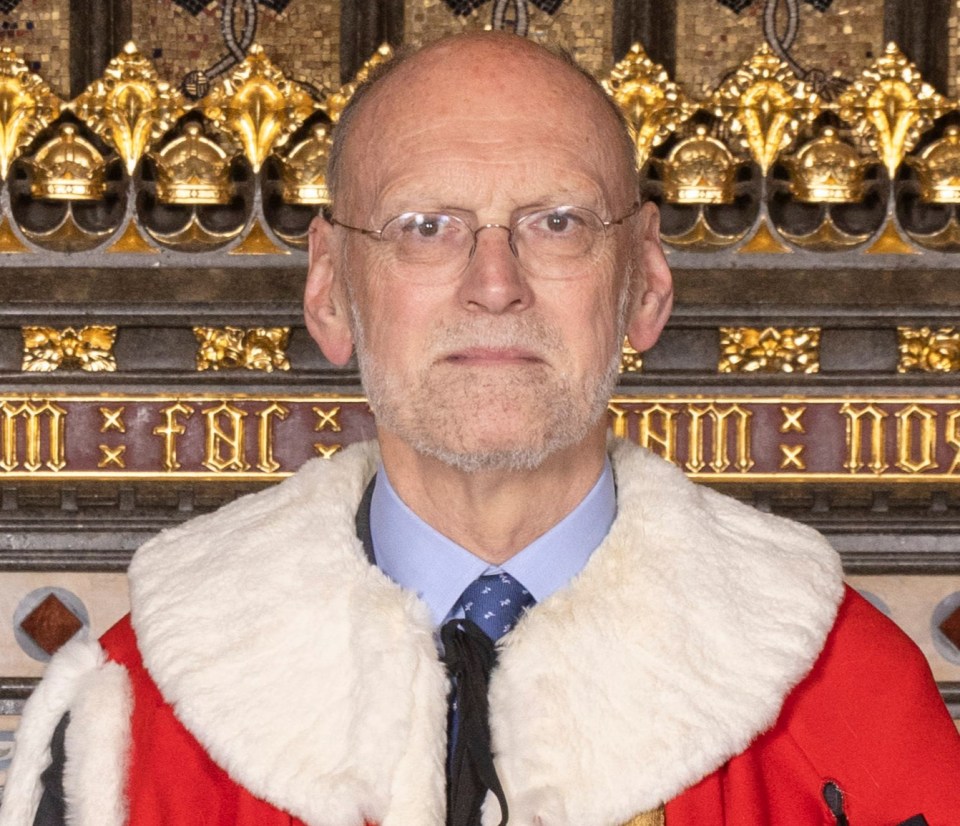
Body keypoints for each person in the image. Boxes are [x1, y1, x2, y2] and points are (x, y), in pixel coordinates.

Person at [2, 31, 959, 826]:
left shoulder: (847, 700)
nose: (494, 285)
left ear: (646, 286)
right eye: (425, 226)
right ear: (331, 290)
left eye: (557, 223)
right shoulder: (128, 717)